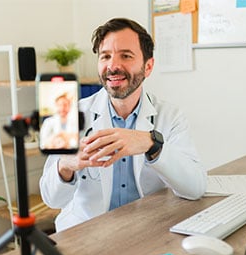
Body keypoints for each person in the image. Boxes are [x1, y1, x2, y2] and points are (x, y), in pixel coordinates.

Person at [40, 18, 207, 232]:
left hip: (146, 231)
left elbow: (195, 188)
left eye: (126, 56)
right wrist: (65, 166)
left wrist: (151, 145)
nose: (113, 66)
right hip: (87, 231)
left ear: (148, 66)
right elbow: (51, 199)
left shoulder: (170, 117)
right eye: (106, 56)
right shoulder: (70, 114)